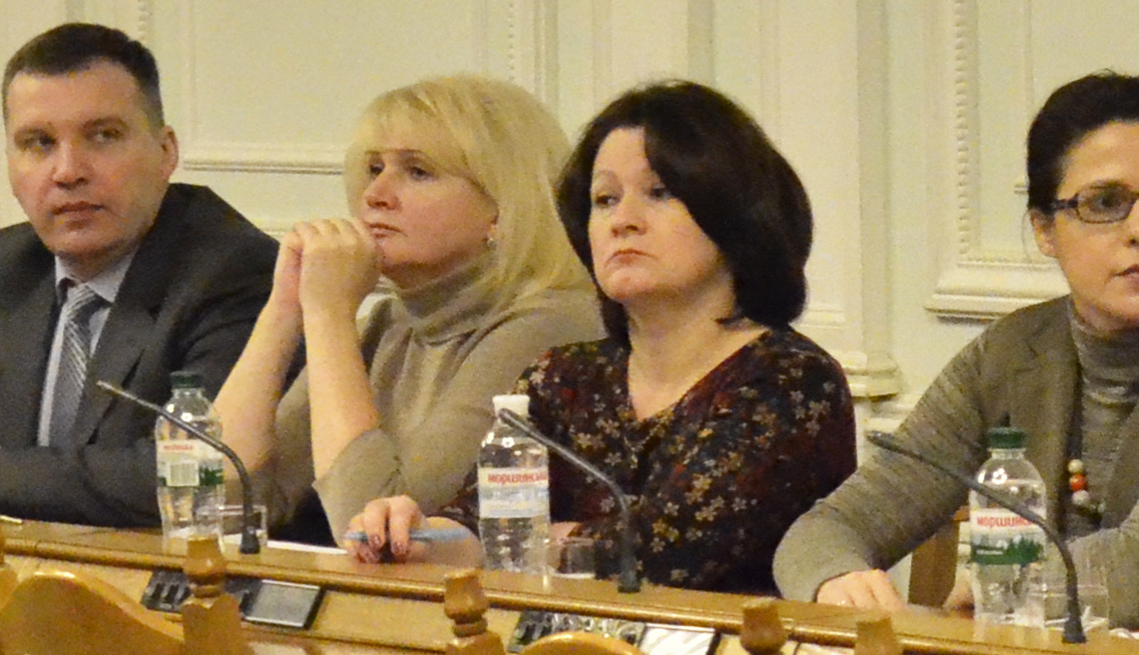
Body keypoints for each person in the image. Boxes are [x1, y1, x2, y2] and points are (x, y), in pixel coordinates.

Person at [774, 72, 1139, 628]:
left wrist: (1004, 585)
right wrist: (835, 580)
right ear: (1044, 229)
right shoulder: (1010, 355)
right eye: (1105, 202)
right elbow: (823, 532)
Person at [346, 82, 854, 594]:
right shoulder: (564, 376)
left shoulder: (788, 380)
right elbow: (482, 523)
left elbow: (667, 553)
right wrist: (419, 535)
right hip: (559, 640)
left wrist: (530, 543)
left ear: (733, 213)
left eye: (659, 193)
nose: (623, 222)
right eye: (605, 200)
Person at [0, 23, 276, 530]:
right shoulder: (9, 266)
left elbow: (190, 471)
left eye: (103, 136)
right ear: (9, 162)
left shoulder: (232, 270)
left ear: (165, 151)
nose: (67, 171)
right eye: (38, 143)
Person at [208, 75, 600, 556]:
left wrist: (330, 318)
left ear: (502, 207)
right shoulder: (389, 322)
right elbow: (219, 504)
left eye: (418, 172)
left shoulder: (551, 323)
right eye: (374, 168)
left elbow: (378, 535)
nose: (375, 194)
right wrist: (284, 308)